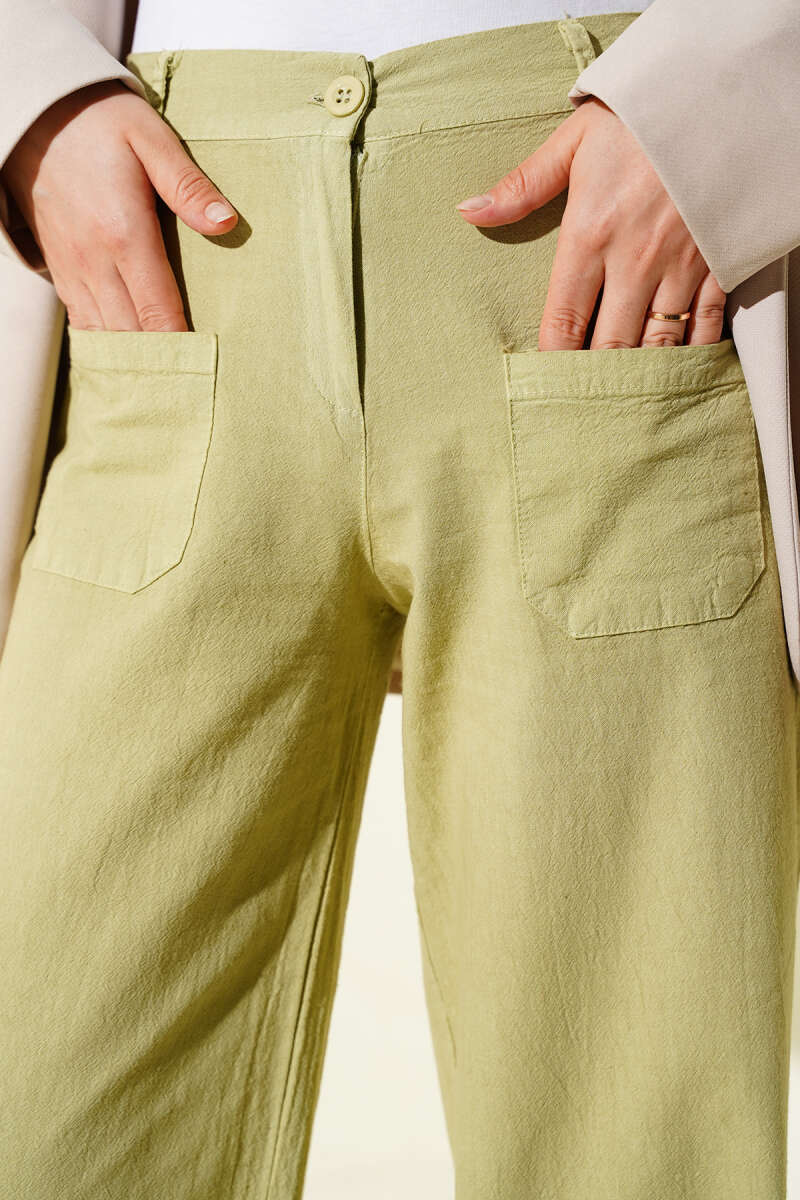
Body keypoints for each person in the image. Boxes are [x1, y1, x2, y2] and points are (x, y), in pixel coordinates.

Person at [0, 3, 798, 1199]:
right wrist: (29, 104)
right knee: (53, 1106)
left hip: (599, 275)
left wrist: (720, 104)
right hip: (164, 274)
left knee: (628, 1141)